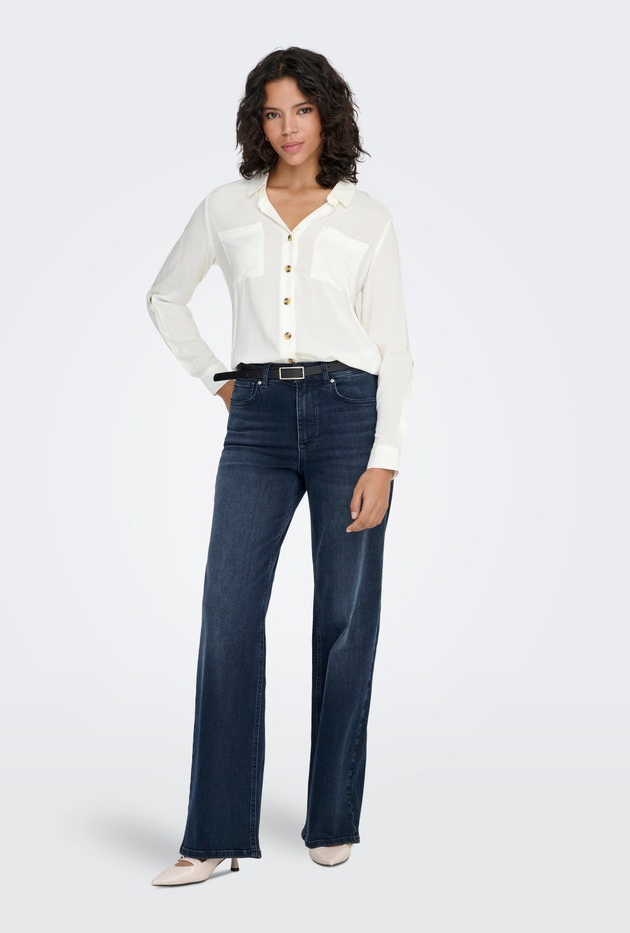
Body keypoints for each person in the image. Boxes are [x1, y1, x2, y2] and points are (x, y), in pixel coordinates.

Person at [146, 46, 414, 886]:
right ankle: (214, 832)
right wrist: (217, 378)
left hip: (349, 416)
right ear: (255, 121)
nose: (288, 127)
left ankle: (333, 816)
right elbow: (164, 295)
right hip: (257, 421)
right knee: (228, 616)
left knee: (344, 619)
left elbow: (397, 350)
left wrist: (385, 460)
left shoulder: (367, 219)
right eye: (272, 111)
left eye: (302, 109)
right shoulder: (226, 207)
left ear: (327, 114)